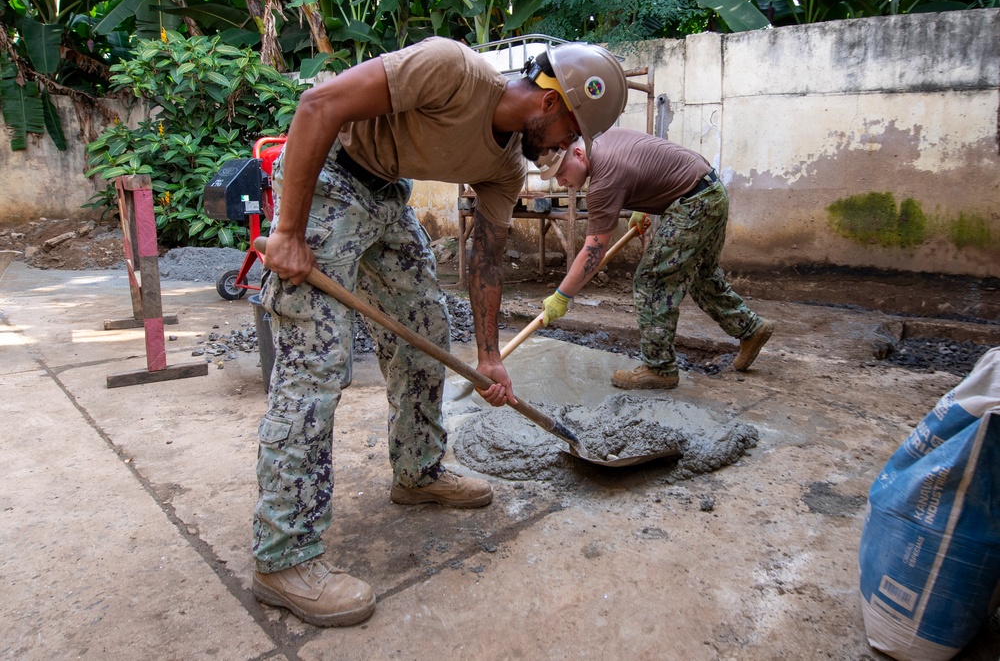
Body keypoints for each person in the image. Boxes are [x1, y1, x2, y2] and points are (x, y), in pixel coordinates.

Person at [251, 36, 628, 628]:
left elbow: (487, 258)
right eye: (572, 134)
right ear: (553, 104)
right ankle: (282, 554)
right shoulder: (452, 70)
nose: (567, 150)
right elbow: (318, 105)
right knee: (316, 363)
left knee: (425, 329)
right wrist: (290, 232)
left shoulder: (505, 168)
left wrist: (488, 357)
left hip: (386, 199)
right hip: (329, 178)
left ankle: (418, 471)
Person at [535, 128, 773, 390]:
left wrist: (562, 296)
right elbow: (645, 160)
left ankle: (659, 368)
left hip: (693, 204)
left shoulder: (603, 182)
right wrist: (641, 206)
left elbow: (594, 251)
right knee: (702, 276)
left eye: (560, 173)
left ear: (578, 154)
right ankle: (750, 329)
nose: (560, 182)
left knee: (652, 282)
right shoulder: (603, 140)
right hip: (712, 192)